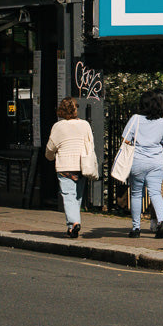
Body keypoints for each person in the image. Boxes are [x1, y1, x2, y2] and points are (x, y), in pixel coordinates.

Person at [121, 88, 163, 238]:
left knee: (136, 194)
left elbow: (125, 139)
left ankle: (136, 228)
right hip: (156, 162)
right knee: (155, 193)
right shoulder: (162, 122)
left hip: (138, 161)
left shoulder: (135, 119)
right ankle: (161, 222)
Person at [45, 96, 95, 239]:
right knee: (77, 196)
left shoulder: (58, 127)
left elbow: (50, 148)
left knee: (68, 196)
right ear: (75, 109)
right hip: (81, 165)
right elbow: (90, 144)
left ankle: (74, 223)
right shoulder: (85, 125)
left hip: (65, 167)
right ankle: (72, 226)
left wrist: (51, 157)